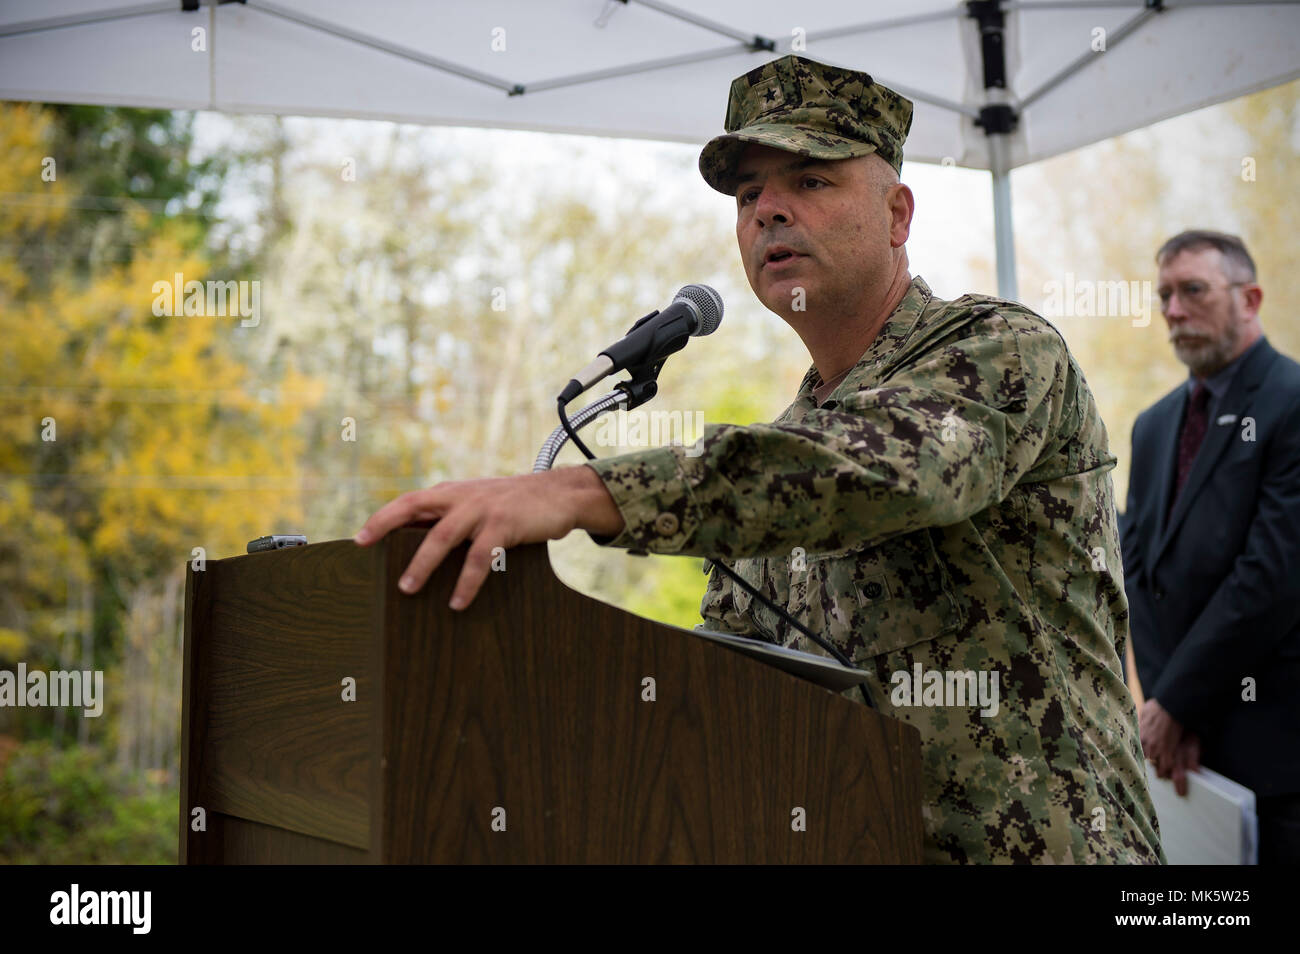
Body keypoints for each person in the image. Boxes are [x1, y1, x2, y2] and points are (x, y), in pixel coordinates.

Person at [356, 54, 1165, 865]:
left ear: (897, 214)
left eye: (810, 181)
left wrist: (587, 491)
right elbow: (724, 698)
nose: (769, 211)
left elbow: (879, 468)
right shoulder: (786, 448)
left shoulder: (1002, 350)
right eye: (749, 196)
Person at [1121, 230, 1300, 864]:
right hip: (1181, 752)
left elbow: (1271, 578)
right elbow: (1137, 570)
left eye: (1192, 290)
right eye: (1164, 294)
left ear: (1249, 298)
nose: (1172, 310)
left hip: (1274, 754)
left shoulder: (1291, 403)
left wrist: (1178, 702)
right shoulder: (1154, 423)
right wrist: (1167, 708)